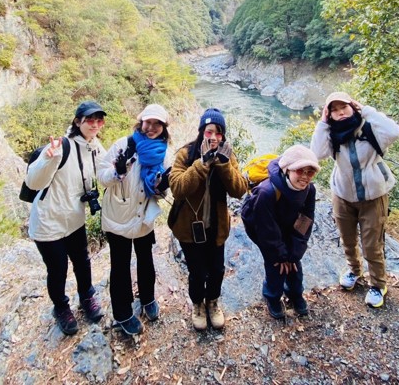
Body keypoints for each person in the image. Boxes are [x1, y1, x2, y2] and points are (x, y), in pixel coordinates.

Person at [310, 91, 399, 309]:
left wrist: (367, 111)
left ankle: (378, 284)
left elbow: (395, 132)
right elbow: (315, 153)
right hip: (343, 195)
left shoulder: (370, 129)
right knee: (348, 239)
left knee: (372, 244)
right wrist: (323, 123)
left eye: (344, 107)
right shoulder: (332, 135)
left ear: (353, 107)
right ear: (329, 114)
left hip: (374, 195)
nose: (340, 113)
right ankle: (354, 270)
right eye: (334, 110)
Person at [25, 100, 107, 335]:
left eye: (99, 120)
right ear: (77, 121)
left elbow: (106, 172)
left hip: (74, 219)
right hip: (48, 222)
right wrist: (49, 158)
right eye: (89, 119)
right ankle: (61, 307)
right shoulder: (61, 147)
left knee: (82, 261)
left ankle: (87, 296)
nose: (94, 124)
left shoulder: (95, 147)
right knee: (58, 269)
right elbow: (34, 182)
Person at [169, 107, 248, 331]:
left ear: (222, 135)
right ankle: (197, 305)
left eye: (218, 132)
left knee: (216, 269)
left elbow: (239, 190)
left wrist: (223, 165)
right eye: (208, 131)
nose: (213, 137)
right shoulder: (186, 154)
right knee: (196, 271)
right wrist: (202, 164)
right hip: (188, 226)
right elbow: (177, 188)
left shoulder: (227, 155)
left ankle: (212, 302)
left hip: (216, 225)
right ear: (201, 131)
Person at [98, 103, 171, 336]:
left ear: (163, 127)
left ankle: (148, 298)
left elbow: (160, 193)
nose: (150, 127)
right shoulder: (123, 145)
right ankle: (122, 313)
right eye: (147, 122)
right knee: (120, 265)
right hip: (118, 215)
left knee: (145, 258)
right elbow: (102, 177)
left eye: (156, 123)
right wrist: (118, 171)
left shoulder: (164, 152)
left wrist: (162, 187)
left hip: (143, 216)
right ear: (140, 122)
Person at [241, 145, 318, 319]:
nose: (305, 177)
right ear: (287, 169)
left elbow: (306, 219)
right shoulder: (267, 192)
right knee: (276, 266)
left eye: (310, 172)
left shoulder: (309, 190)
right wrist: (280, 255)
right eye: (300, 171)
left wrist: (294, 252)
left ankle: (295, 293)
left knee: (294, 266)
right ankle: (272, 296)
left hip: (289, 228)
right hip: (264, 232)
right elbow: (265, 228)